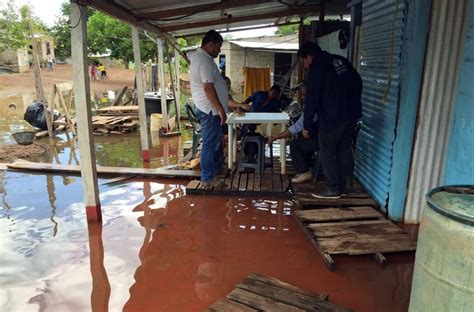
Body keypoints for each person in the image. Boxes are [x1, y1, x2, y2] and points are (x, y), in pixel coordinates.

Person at [299, 41, 362, 198]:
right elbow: (358, 82)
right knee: (343, 150)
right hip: (351, 116)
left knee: (326, 152)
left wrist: (306, 126)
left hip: (332, 118)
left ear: (309, 57)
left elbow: (311, 100)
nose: (305, 65)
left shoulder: (317, 69)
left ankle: (332, 188)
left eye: (303, 61)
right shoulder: (339, 61)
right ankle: (342, 186)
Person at [189, 30, 228, 187]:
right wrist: (220, 109)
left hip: (209, 109)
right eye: (218, 47)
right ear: (210, 44)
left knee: (212, 144)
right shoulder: (204, 60)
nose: (219, 51)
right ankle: (207, 179)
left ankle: (211, 176)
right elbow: (208, 88)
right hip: (209, 110)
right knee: (209, 145)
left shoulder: (202, 58)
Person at [267, 109, 319, 184]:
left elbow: (296, 128)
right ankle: (308, 168)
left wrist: (275, 137)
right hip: (331, 137)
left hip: (322, 140)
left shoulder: (312, 109)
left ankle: (305, 172)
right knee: (302, 139)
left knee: (295, 144)